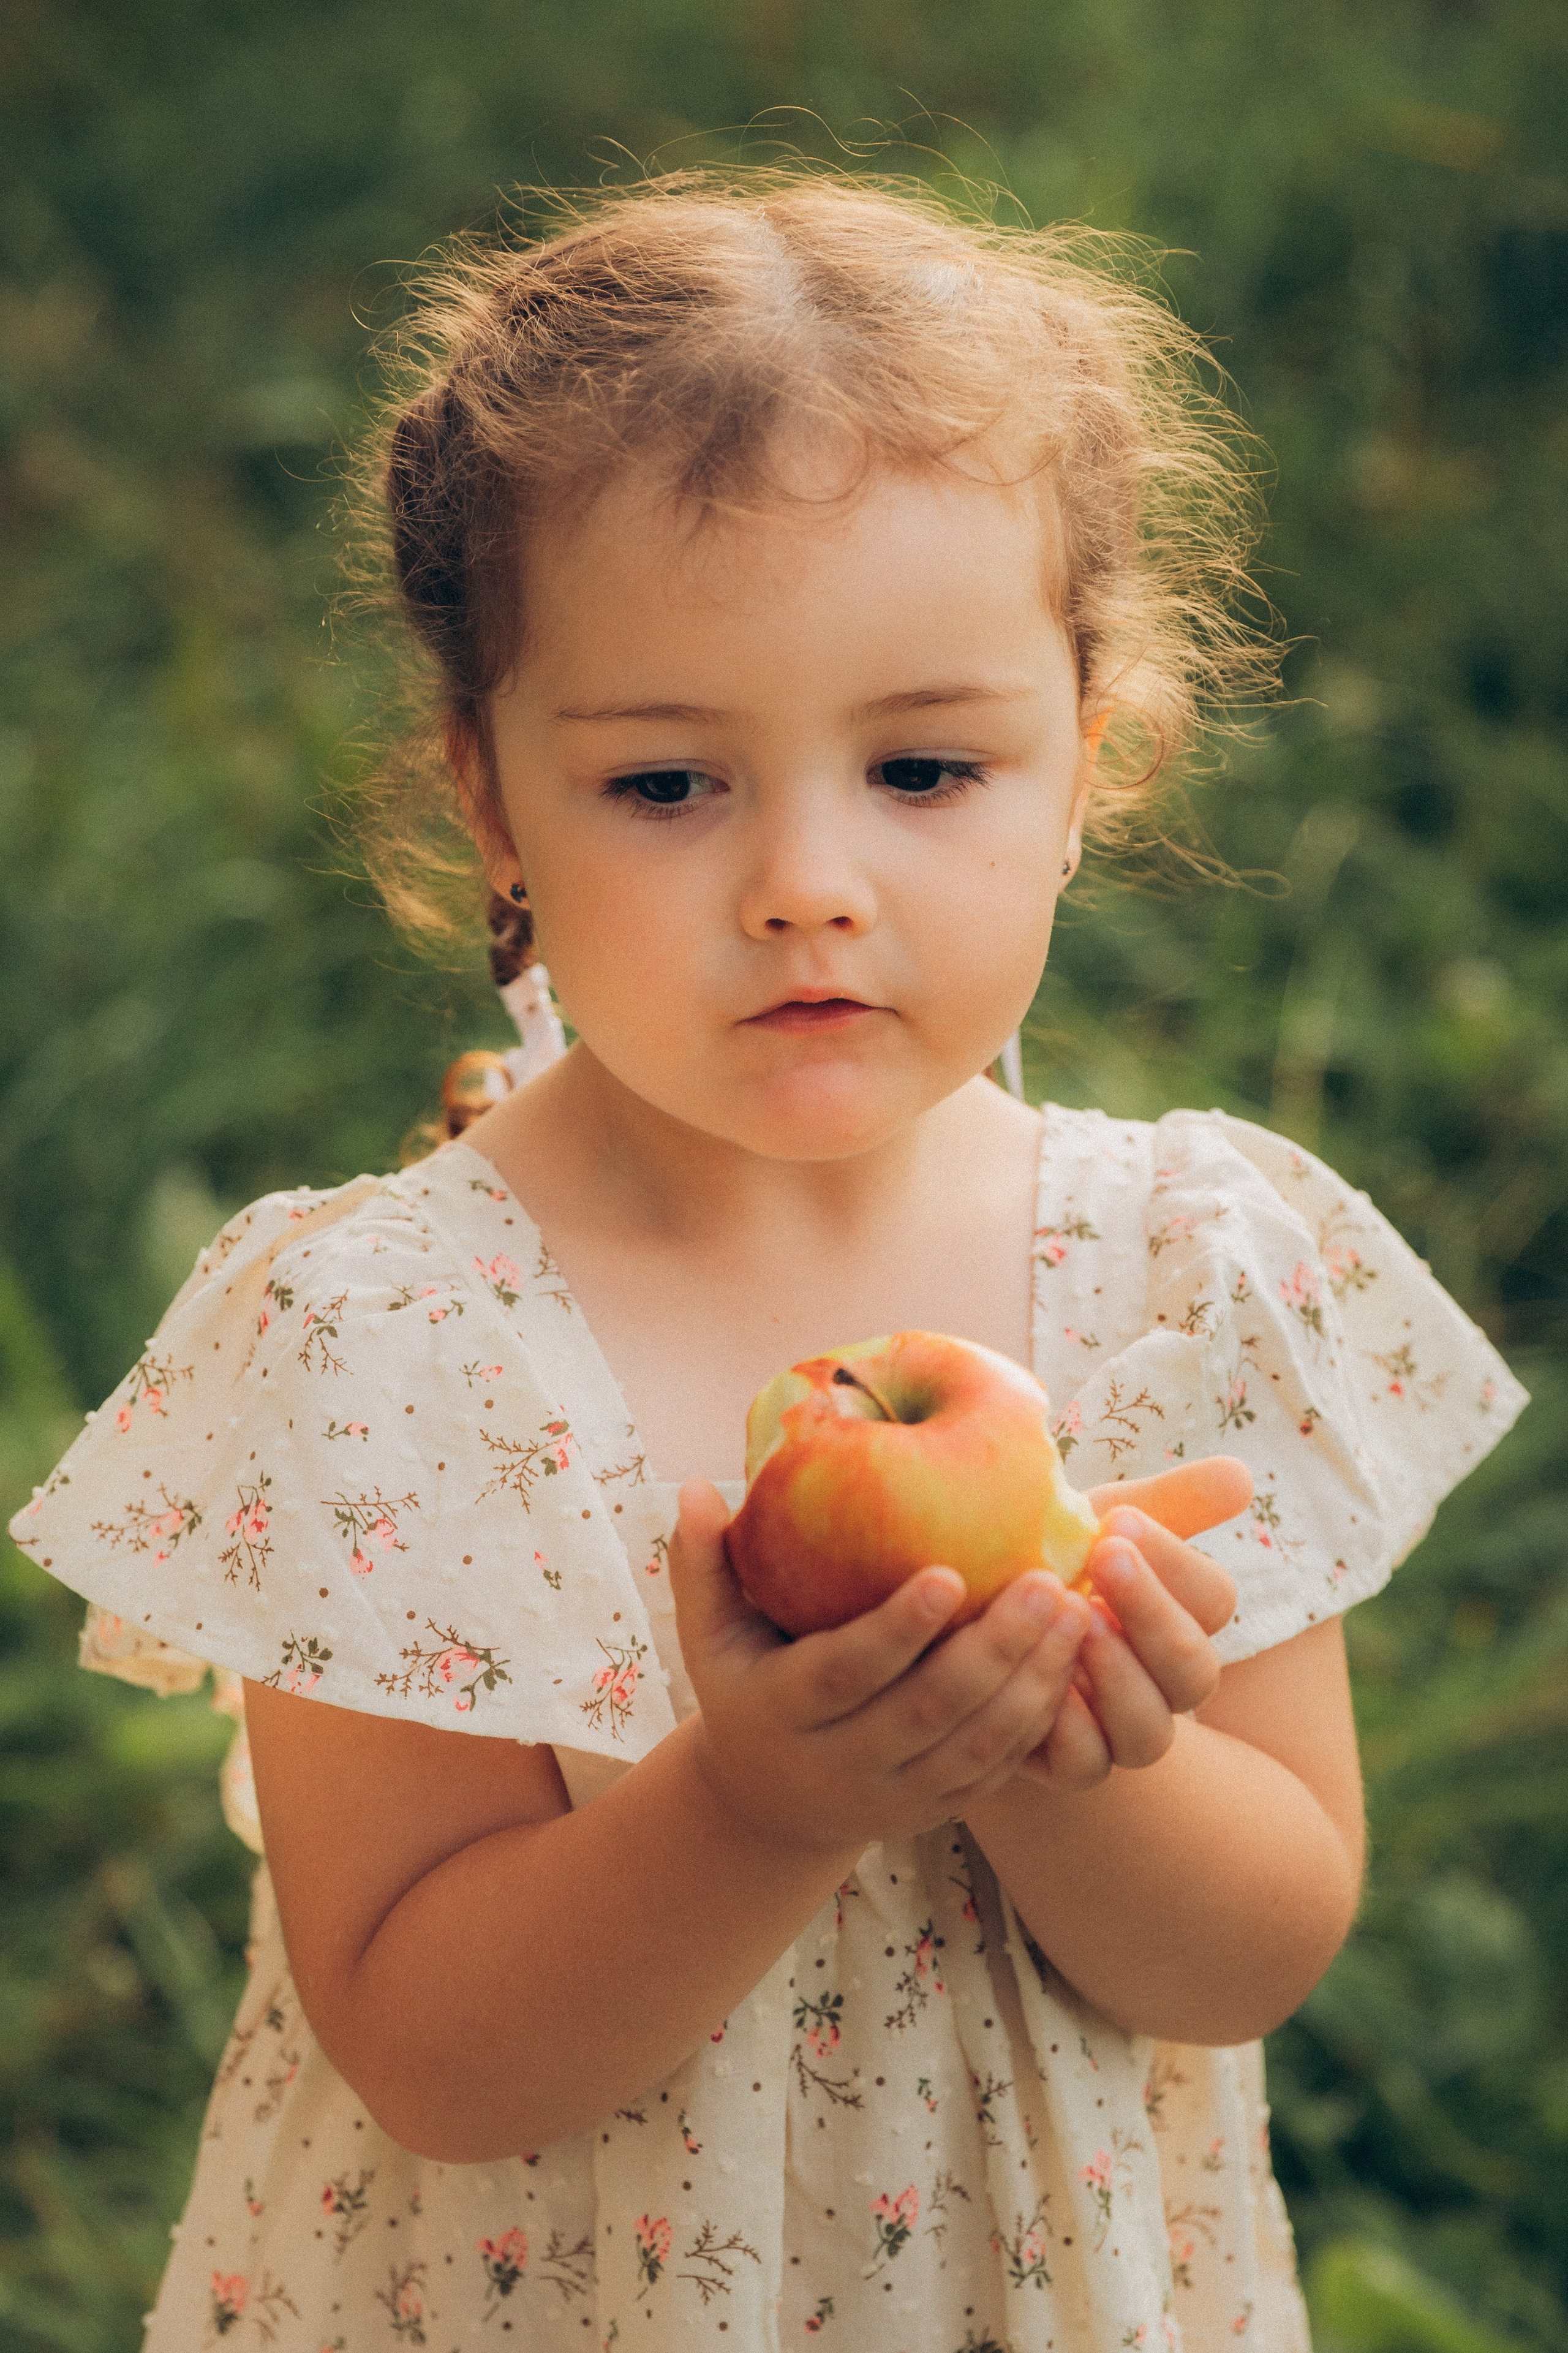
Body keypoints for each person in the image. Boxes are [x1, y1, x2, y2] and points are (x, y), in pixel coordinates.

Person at [10, 171, 1526, 2352]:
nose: (810, 882)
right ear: (491, 800)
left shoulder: (1178, 1273)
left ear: (1089, 763)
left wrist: (1052, 1746)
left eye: (924, 765)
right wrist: (756, 1803)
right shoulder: (386, 1351)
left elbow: (1252, 1949)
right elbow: (435, 2056)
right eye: (666, 786)